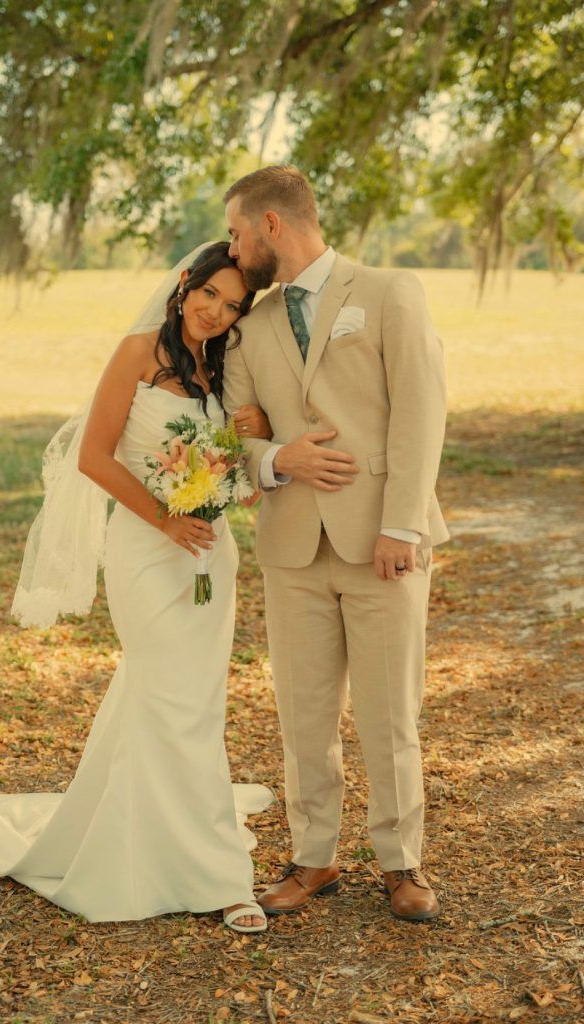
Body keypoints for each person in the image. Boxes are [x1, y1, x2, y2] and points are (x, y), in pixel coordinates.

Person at [0, 242, 274, 933]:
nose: (216, 312)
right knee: (162, 693)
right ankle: (216, 875)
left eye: (232, 305)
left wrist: (250, 438)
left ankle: (172, 838)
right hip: (147, 550)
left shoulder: (224, 364)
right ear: (185, 283)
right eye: (210, 294)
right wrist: (166, 519)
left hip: (211, 554)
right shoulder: (135, 353)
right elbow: (93, 456)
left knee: (196, 704)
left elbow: (236, 462)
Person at [222, 166, 448, 922]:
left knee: (390, 713)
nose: (231, 246)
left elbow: (421, 410)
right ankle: (312, 858)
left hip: (381, 540)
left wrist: (402, 525)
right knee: (304, 713)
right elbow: (229, 433)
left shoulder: (389, 292)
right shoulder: (247, 328)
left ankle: (401, 862)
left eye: (235, 231)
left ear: (272, 225)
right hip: (291, 546)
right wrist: (276, 459)